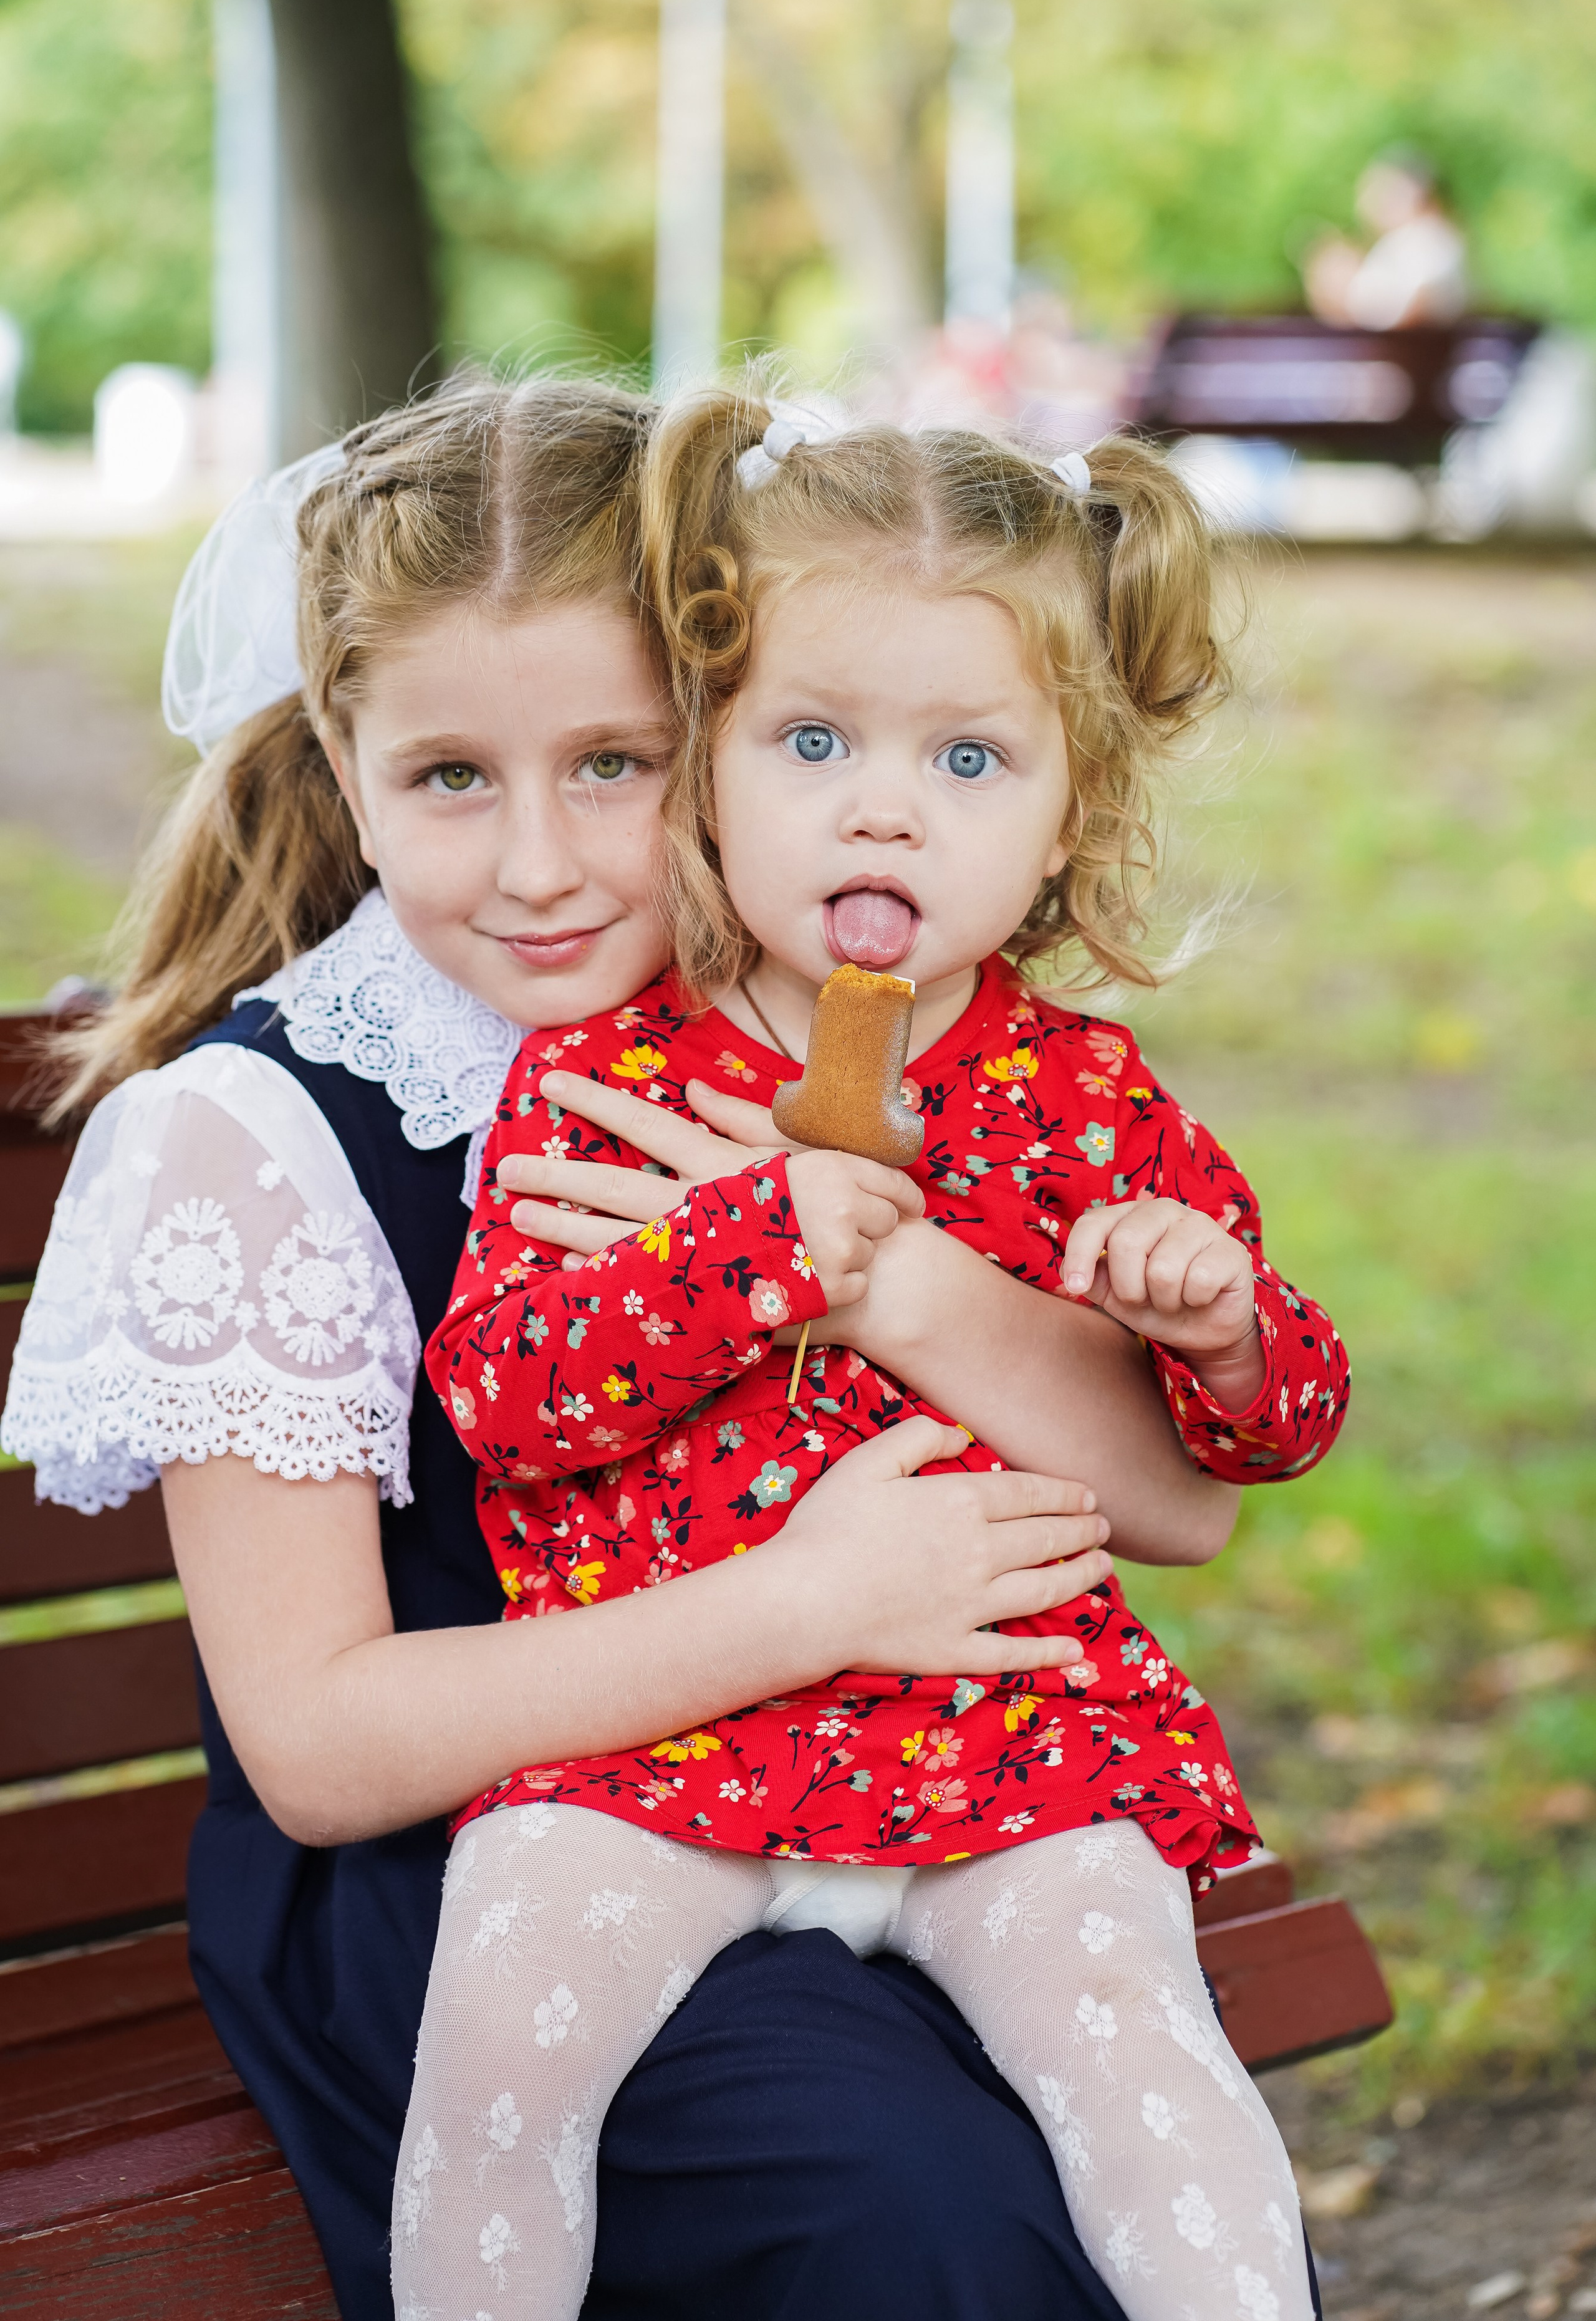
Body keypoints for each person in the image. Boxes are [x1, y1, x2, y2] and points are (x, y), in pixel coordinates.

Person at [2, 373, 1249, 2321]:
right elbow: (321, 1749)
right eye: (448, 779)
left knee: (1123, 2147)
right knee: (912, 2207)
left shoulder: (815, 1023)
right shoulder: (256, 1131)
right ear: (341, 754)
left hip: (882, 1772)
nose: (541, 867)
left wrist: (889, 1278)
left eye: (620, 761)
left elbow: (1179, 1499)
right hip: (477, 1844)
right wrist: (814, 1598)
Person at [410, 399, 1351, 2319]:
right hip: (650, 1754)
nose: (881, 805)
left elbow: (1261, 1443)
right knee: (499, 2051)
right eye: (813, 741)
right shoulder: (605, 1080)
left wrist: (1223, 1324)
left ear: (1065, 809)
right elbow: (503, 1397)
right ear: (708, 774)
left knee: (1138, 2048)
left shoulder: (1082, 1100)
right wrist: (747, 1249)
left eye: (969, 756)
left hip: (1010, 1732)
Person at [1302, 149, 1469, 331]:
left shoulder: (1430, 238)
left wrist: (1345, 295)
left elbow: (1419, 307)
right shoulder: (1404, 240)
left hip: (1405, 352)